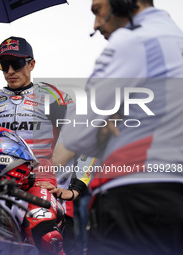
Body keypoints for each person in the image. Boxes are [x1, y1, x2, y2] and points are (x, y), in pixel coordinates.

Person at [58, 0, 183, 254]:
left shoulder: (132, 41)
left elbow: (77, 134)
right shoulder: (174, 38)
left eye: (97, 10)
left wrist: (108, 121)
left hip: (132, 196)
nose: (95, 25)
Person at [0, 36, 88, 255]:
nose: (10, 70)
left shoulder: (54, 97)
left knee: (47, 237)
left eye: (17, 63)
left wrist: (74, 191)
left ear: (31, 64)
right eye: (3, 65)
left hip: (43, 186)